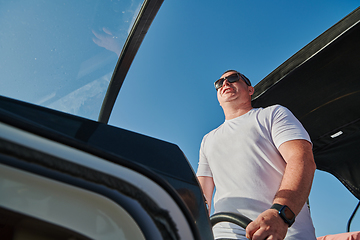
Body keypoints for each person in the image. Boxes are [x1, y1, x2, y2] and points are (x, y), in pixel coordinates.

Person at [196, 70, 317, 240]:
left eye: (233, 78)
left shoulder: (272, 114)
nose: (225, 83)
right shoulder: (207, 140)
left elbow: (302, 159)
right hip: (225, 233)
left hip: (283, 232)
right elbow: (201, 195)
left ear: (250, 90)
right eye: (219, 82)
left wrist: (281, 214)